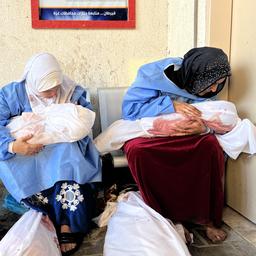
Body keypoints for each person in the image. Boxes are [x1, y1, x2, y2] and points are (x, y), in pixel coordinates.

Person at [121, 47, 231, 243]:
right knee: (138, 151)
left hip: (189, 132)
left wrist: (203, 128)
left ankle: (206, 219)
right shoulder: (152, 74)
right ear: (195, 75)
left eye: (219, 84)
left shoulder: (206, 82)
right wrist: (169, 105)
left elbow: (210, 111)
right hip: (153, 132)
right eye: (211, 84)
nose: (214, 90)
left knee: (210, 145)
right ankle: (165, 218)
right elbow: (130, 110)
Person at [0, 53, 101, 255]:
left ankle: (67, 223)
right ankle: (47, 215)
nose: (54, 94)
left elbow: (83, 120)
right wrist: (13, 146)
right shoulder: (11, 94)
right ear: (34, 83)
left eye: (56, 87)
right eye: (47, 90)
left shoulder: (72, 91)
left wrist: (57, 126)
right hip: (28, 154)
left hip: (63, 148)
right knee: (10, 159)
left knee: (69, 155)